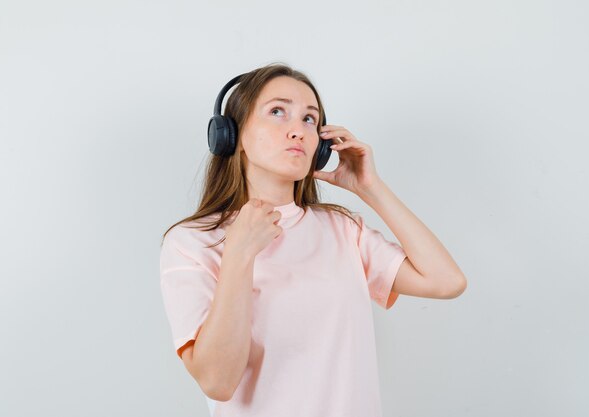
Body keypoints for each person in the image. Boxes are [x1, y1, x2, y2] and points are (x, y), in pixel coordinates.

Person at [159, 62, 467, 416]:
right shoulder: (192, 242)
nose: (298, 131)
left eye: (309, 118)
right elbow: (218, 381)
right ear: (232, 135)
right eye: (278, 112)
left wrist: (371, 189)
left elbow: (447, 282)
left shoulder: (341, 229)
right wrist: (239, 255)